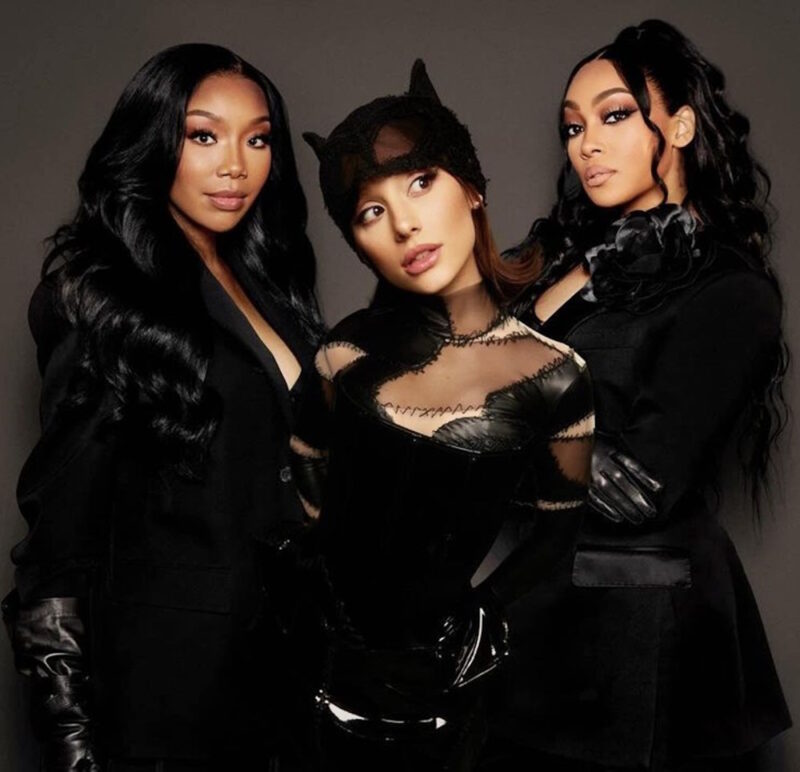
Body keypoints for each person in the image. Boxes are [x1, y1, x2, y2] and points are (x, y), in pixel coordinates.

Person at [3, 43, 322, 770]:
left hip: (285, 682)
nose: (235, 165)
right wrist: (71, 739)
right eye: (203, 136)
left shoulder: (269, 277)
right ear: (152, 141)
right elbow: (58, 541)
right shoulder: (102, 297)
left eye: (258, 139)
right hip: (167, 698)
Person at [495, 19, 791, 772]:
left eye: (615, 115)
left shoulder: (730, 290)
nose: (586, 145)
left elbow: (641, 490)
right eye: (573, 127)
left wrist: (497, 431)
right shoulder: (560, 262)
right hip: (538, 610)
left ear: (680, 127)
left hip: (641, 632)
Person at [284, 60, 594, 771]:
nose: (404, 223)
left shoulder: (556, 376)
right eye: (370, 211)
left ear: (472, 187)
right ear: (357, 241)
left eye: (420, 182)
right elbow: (304, 491)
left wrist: (484, 617)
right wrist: (323, 622)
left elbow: (555, 539)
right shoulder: (341, 355)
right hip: (318, 690)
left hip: (445, 703)